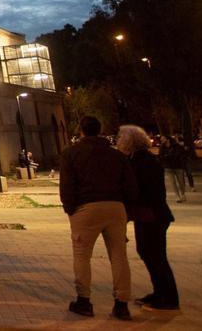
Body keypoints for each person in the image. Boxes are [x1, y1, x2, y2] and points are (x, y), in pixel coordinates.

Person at [60, 117, 137, 320]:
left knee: (82, 256)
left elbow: (67, 186)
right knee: (119, 255)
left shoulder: (71, 153)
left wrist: (71, 210)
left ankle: (84, 301)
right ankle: (122, 304)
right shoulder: (117, 156)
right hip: (115, 207)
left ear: (81, 131)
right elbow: (130, 185)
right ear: (100, 130)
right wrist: (126, 211)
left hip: (86, 208)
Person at [117, 125, 179, 311]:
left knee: (156, 256)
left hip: (152, 215)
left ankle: (168, 298)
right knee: (148, 253)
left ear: (130, 141)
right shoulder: (138, 159)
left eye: (121, 137)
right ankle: (160, 292)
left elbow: (144, 189)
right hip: (146, 215)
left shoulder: (145, 161)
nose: (118, 141)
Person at [158, 137, 187, 203]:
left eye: (163, 139)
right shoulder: (162, 147)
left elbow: (178, 155)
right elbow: (160, 156)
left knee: (181, 182)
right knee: (173, 183)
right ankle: (177, 196)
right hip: (168, 167)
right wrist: (165, 158)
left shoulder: (176, 146)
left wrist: (167, 156)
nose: (161, 140)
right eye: (161, 139)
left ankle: (183, 194)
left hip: (178, 166)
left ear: (167, 139)